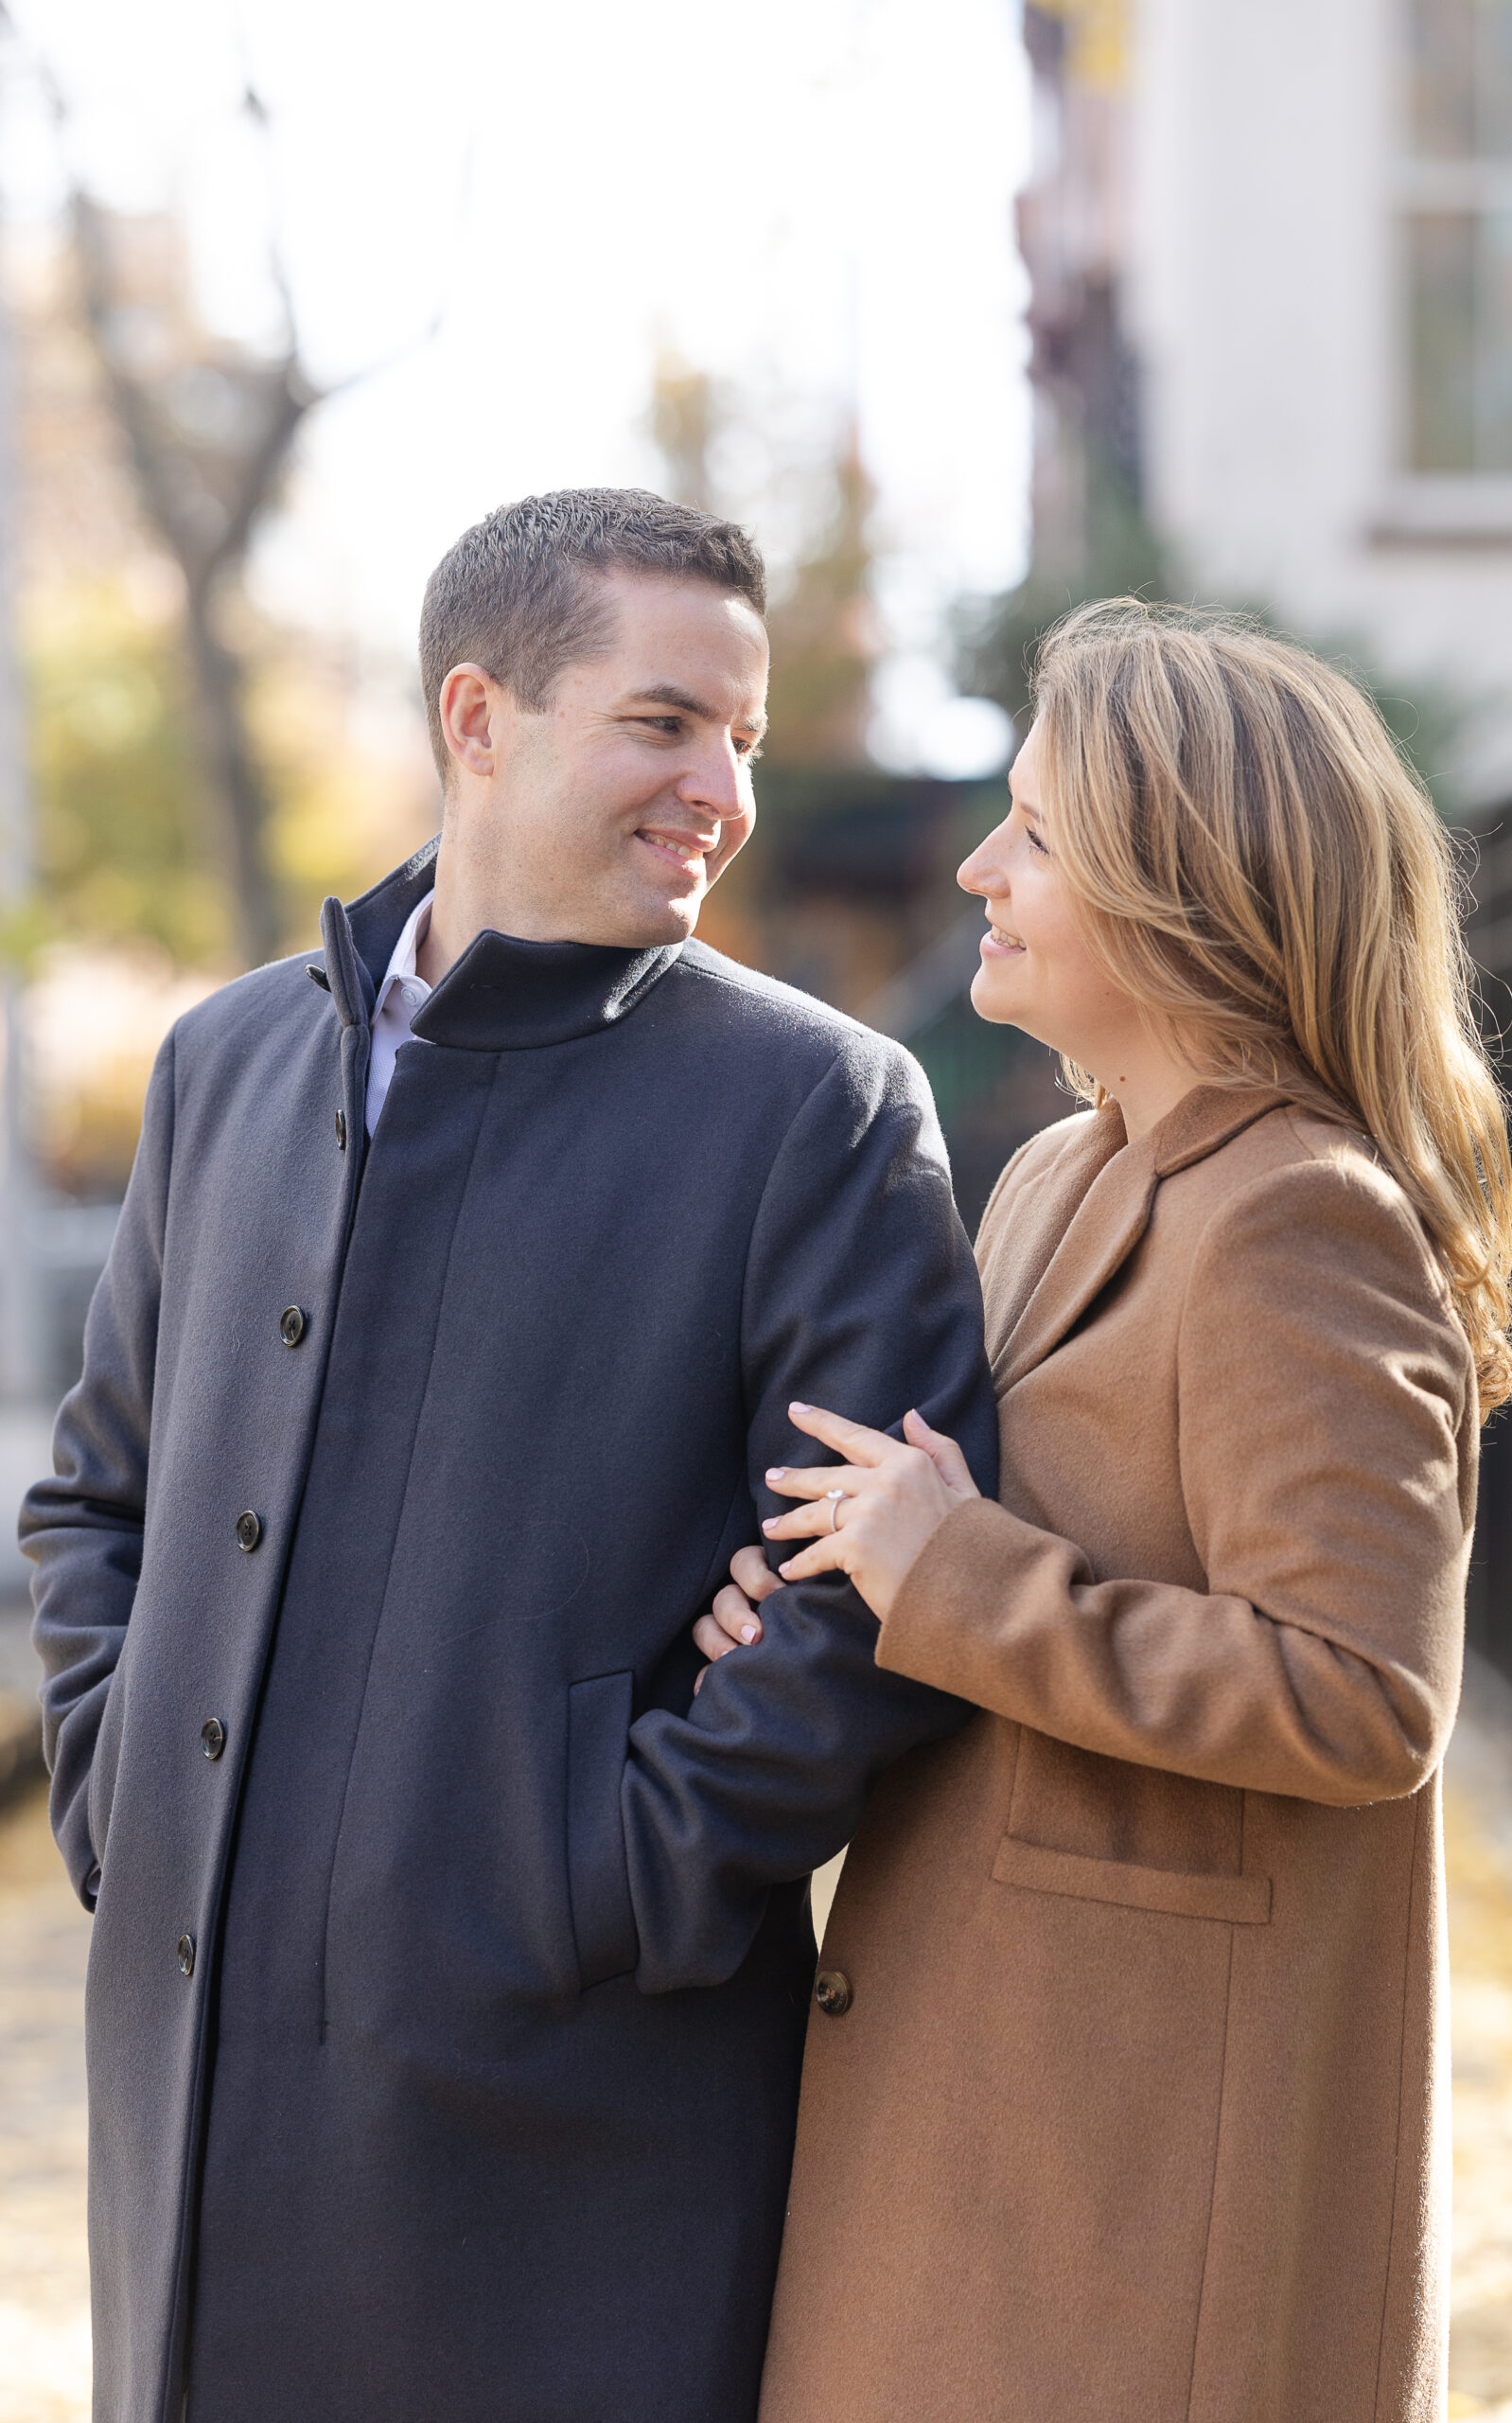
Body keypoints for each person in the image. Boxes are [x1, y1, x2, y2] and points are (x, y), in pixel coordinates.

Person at [22, 488, 997, 2423]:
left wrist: (604, 1879)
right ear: (478, 717)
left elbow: (862, 1602)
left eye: (740, 734)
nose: (721, 791)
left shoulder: (818, 1105)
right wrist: (123, 1793)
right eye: (664, 723)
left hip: (571, 2127)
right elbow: (98, 1493)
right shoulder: (225, 1063)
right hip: (188, 2085)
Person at [695, 601, 1512, 2423]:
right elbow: (968, 1551)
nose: (979, 869)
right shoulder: (1059, 1173)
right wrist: (827, 1590)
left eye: (1039, 836)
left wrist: (949, 1572)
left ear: (1185, 893)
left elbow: (1366, 1691)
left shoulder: (1302, 1216)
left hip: (1143, 2175)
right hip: (992, 2095)